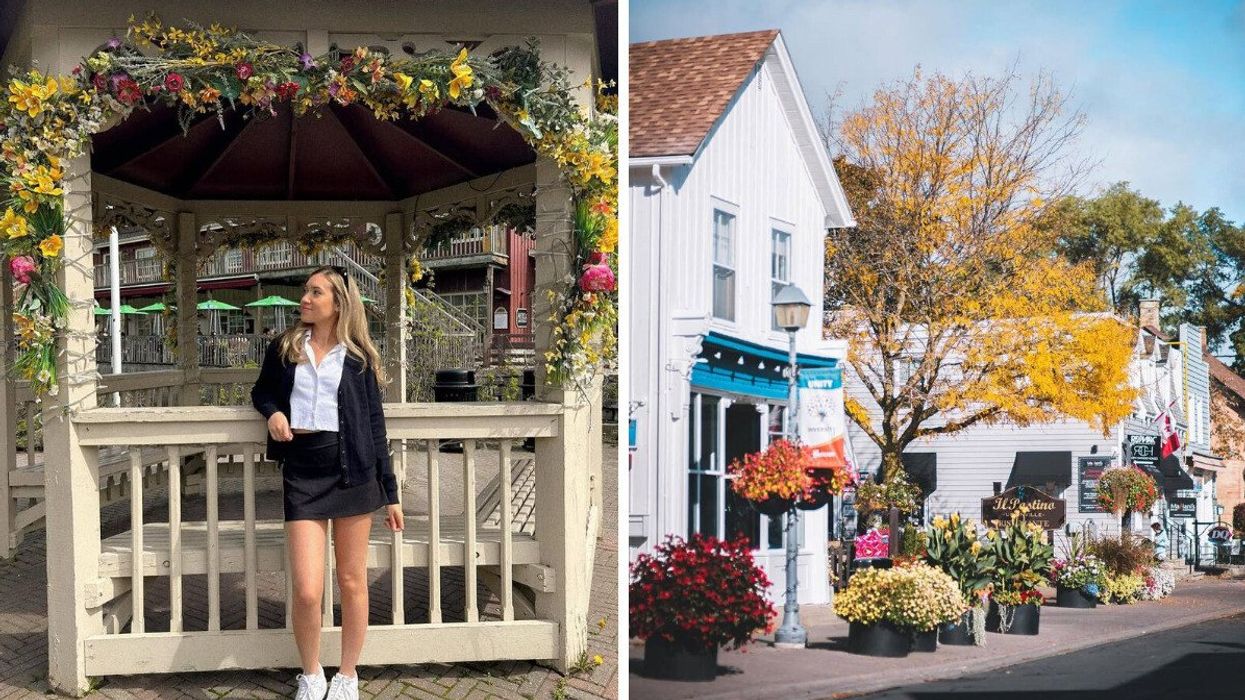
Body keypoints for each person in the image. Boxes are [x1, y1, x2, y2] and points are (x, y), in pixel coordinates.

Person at [251, 265, 403, 700]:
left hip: (353, 475)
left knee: (352, 581)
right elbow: (262, 391)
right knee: (306, 589)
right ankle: (312, 672)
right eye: (305, 291)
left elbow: (376, 428)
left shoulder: (357, 358)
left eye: (315, 292)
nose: (305, 298)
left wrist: (389, 493)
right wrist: (275, 413)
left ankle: (348, 675)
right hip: (302, 475)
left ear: (338, 302)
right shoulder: (284, 347)